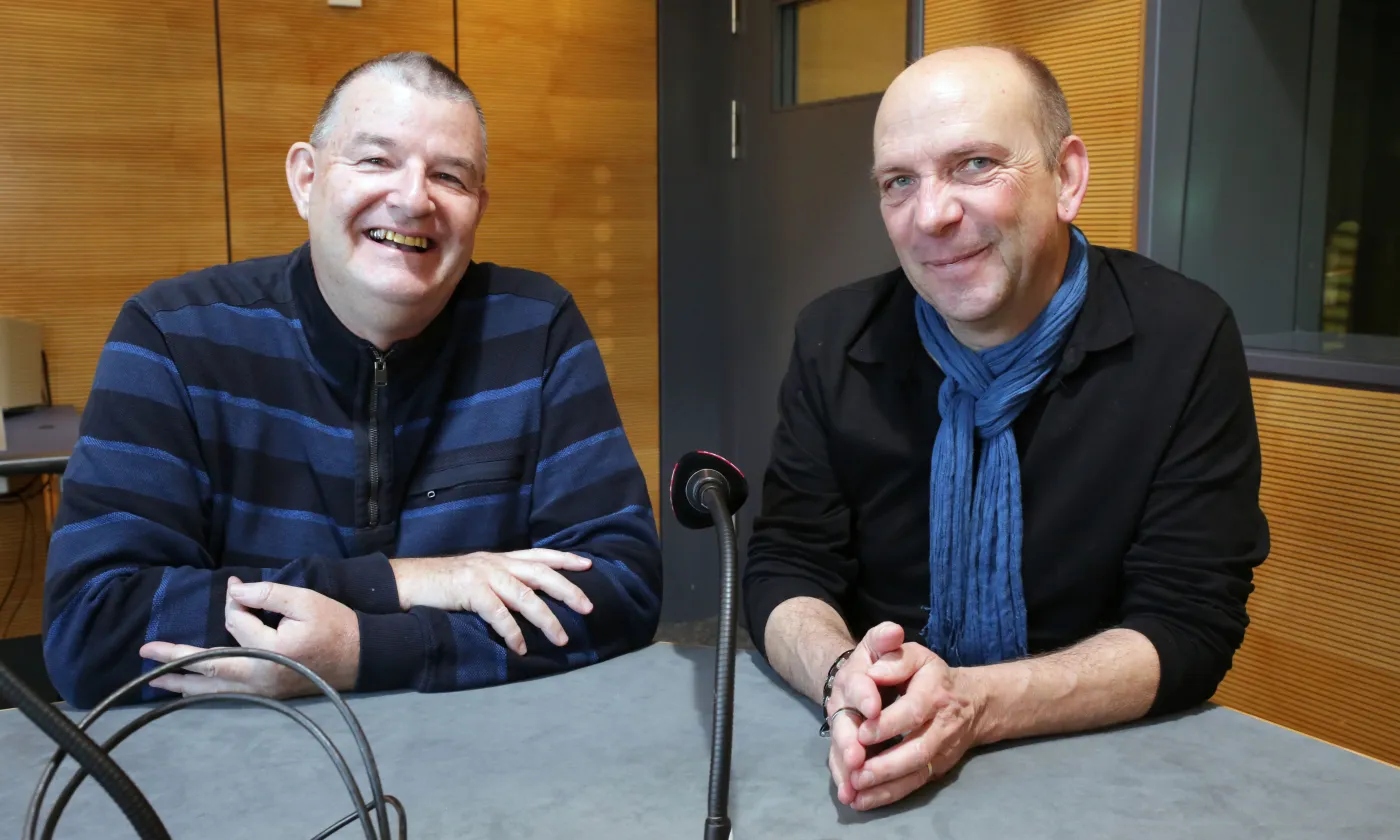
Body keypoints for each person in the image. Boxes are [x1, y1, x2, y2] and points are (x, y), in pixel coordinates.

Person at [43, 52, 662, 708]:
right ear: (306, 179)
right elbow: (92, 629)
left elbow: (621, 588)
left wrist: (366, 650)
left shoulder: (536, 330)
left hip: (492, 760)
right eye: (375, 160)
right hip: (243, 766)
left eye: (449, 176)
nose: (413, 197)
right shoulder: (171, 337)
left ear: (477, 207)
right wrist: (401, 584)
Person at [742, 45, 1270, 812]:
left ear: (1068, 178)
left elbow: (1190, 621)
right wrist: (841, 673)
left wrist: (974, 703)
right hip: (871, 750)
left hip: (1097, 762)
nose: (933, 215)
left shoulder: (1183, 338)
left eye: (975, 164)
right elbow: (785, 563)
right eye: (900, 182)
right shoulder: (835, 338)